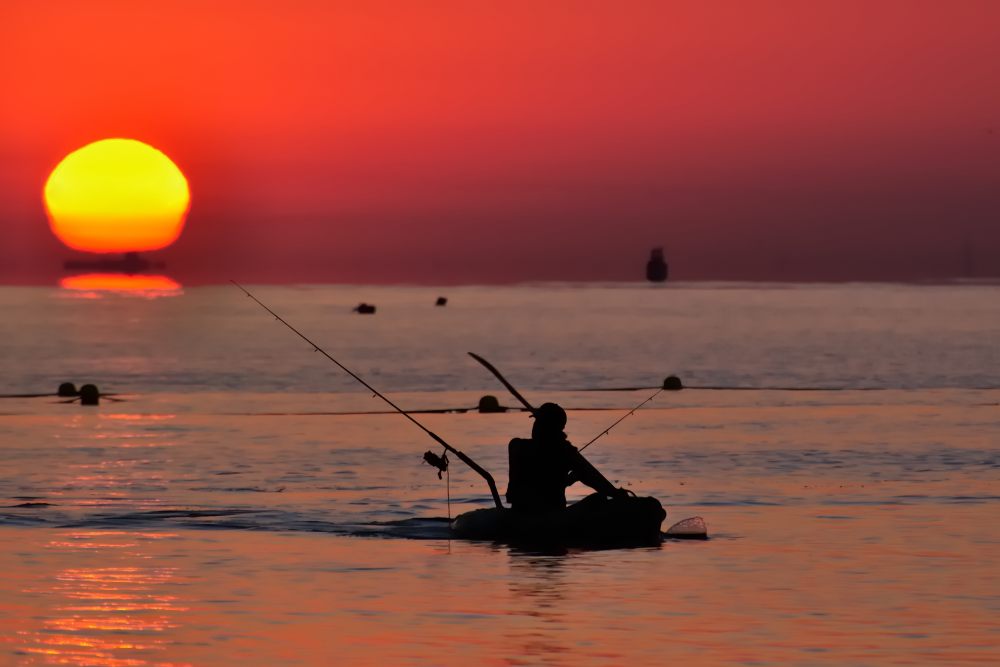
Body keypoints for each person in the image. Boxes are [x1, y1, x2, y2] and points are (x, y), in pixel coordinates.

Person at [506, 402, 627, 513]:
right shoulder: (565, 451)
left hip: (521, 512)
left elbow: (541, 476)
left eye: (539, 423)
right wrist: (615, 494)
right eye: (536, 422)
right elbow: (591, 477)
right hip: (550, 514)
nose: (535, 426)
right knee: (599, 499)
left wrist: (567, 480)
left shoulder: (516, 445)